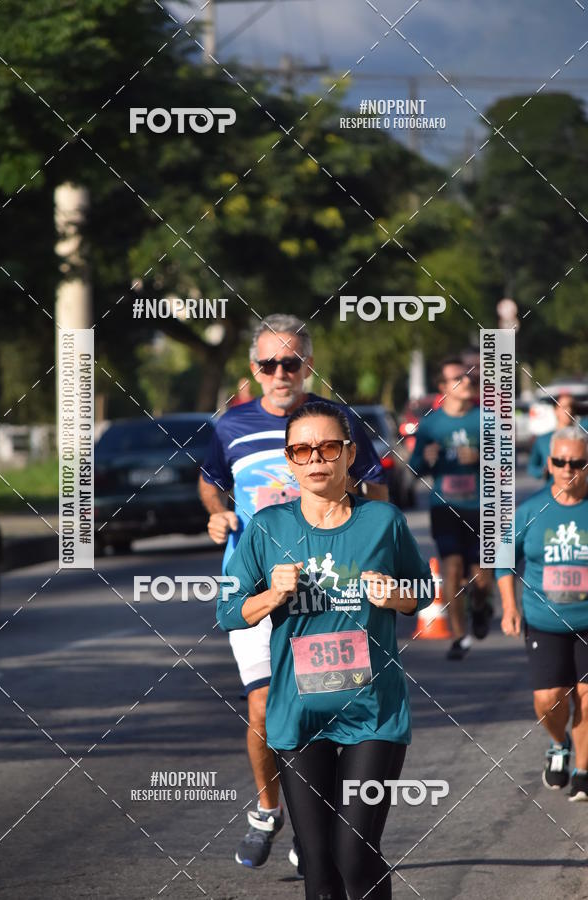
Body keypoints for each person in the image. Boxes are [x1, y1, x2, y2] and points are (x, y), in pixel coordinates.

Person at [217, 402, 434, 899]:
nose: (316, 458)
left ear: (350, 455)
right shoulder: (267, 528)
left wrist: (396, 596)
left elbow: (423, 589)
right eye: (302, 450)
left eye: (329, 447)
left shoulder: (382, 521)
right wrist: (271, 596)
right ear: (289, 461)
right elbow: (227, 611)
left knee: (354, 854)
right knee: (318, 868)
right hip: (299, 715)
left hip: (372, 714)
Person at [199, 314, 387, 869]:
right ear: (254, 369)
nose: (280, 373)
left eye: (291, 362)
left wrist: (364, 535)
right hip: (256, 584)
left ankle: (315, 826)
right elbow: (211, 483)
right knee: (263, 707)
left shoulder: (337, 421)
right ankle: (268, 810)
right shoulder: (231, 426)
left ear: (308, 365)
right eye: (269, 364)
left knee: (325, 708)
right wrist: (217, 515)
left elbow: (376, 488)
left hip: (328, 587)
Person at [498, 426, 588, 800]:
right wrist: (509, 606)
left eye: (577, 463)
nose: (568, 469)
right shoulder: (531, 511)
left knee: (586, 696)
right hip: (544, 621)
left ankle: (583, 772)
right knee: (549, 699)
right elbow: (503, 559)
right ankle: (559, 743)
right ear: (549, 464)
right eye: (560, 461)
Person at [409, 356, 493, 660]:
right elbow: (414, 469)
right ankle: (459, 637)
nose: (467, 381)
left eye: (470, 377)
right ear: (443, 386)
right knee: (452, 568)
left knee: (482, 577)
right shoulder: (431, 424)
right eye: (459, 377)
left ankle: (481, 606)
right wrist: (426, 459)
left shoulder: (486, 419)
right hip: (445, 507)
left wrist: (482, 458)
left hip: (481, 507)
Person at [527, 393, 579, 481]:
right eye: (564, 407)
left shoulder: (583, 439)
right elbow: (532, 467)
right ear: (555, 410)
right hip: (551, 487)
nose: (569, 410)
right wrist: (543, 471)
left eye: (572, 407)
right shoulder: (542, 440)